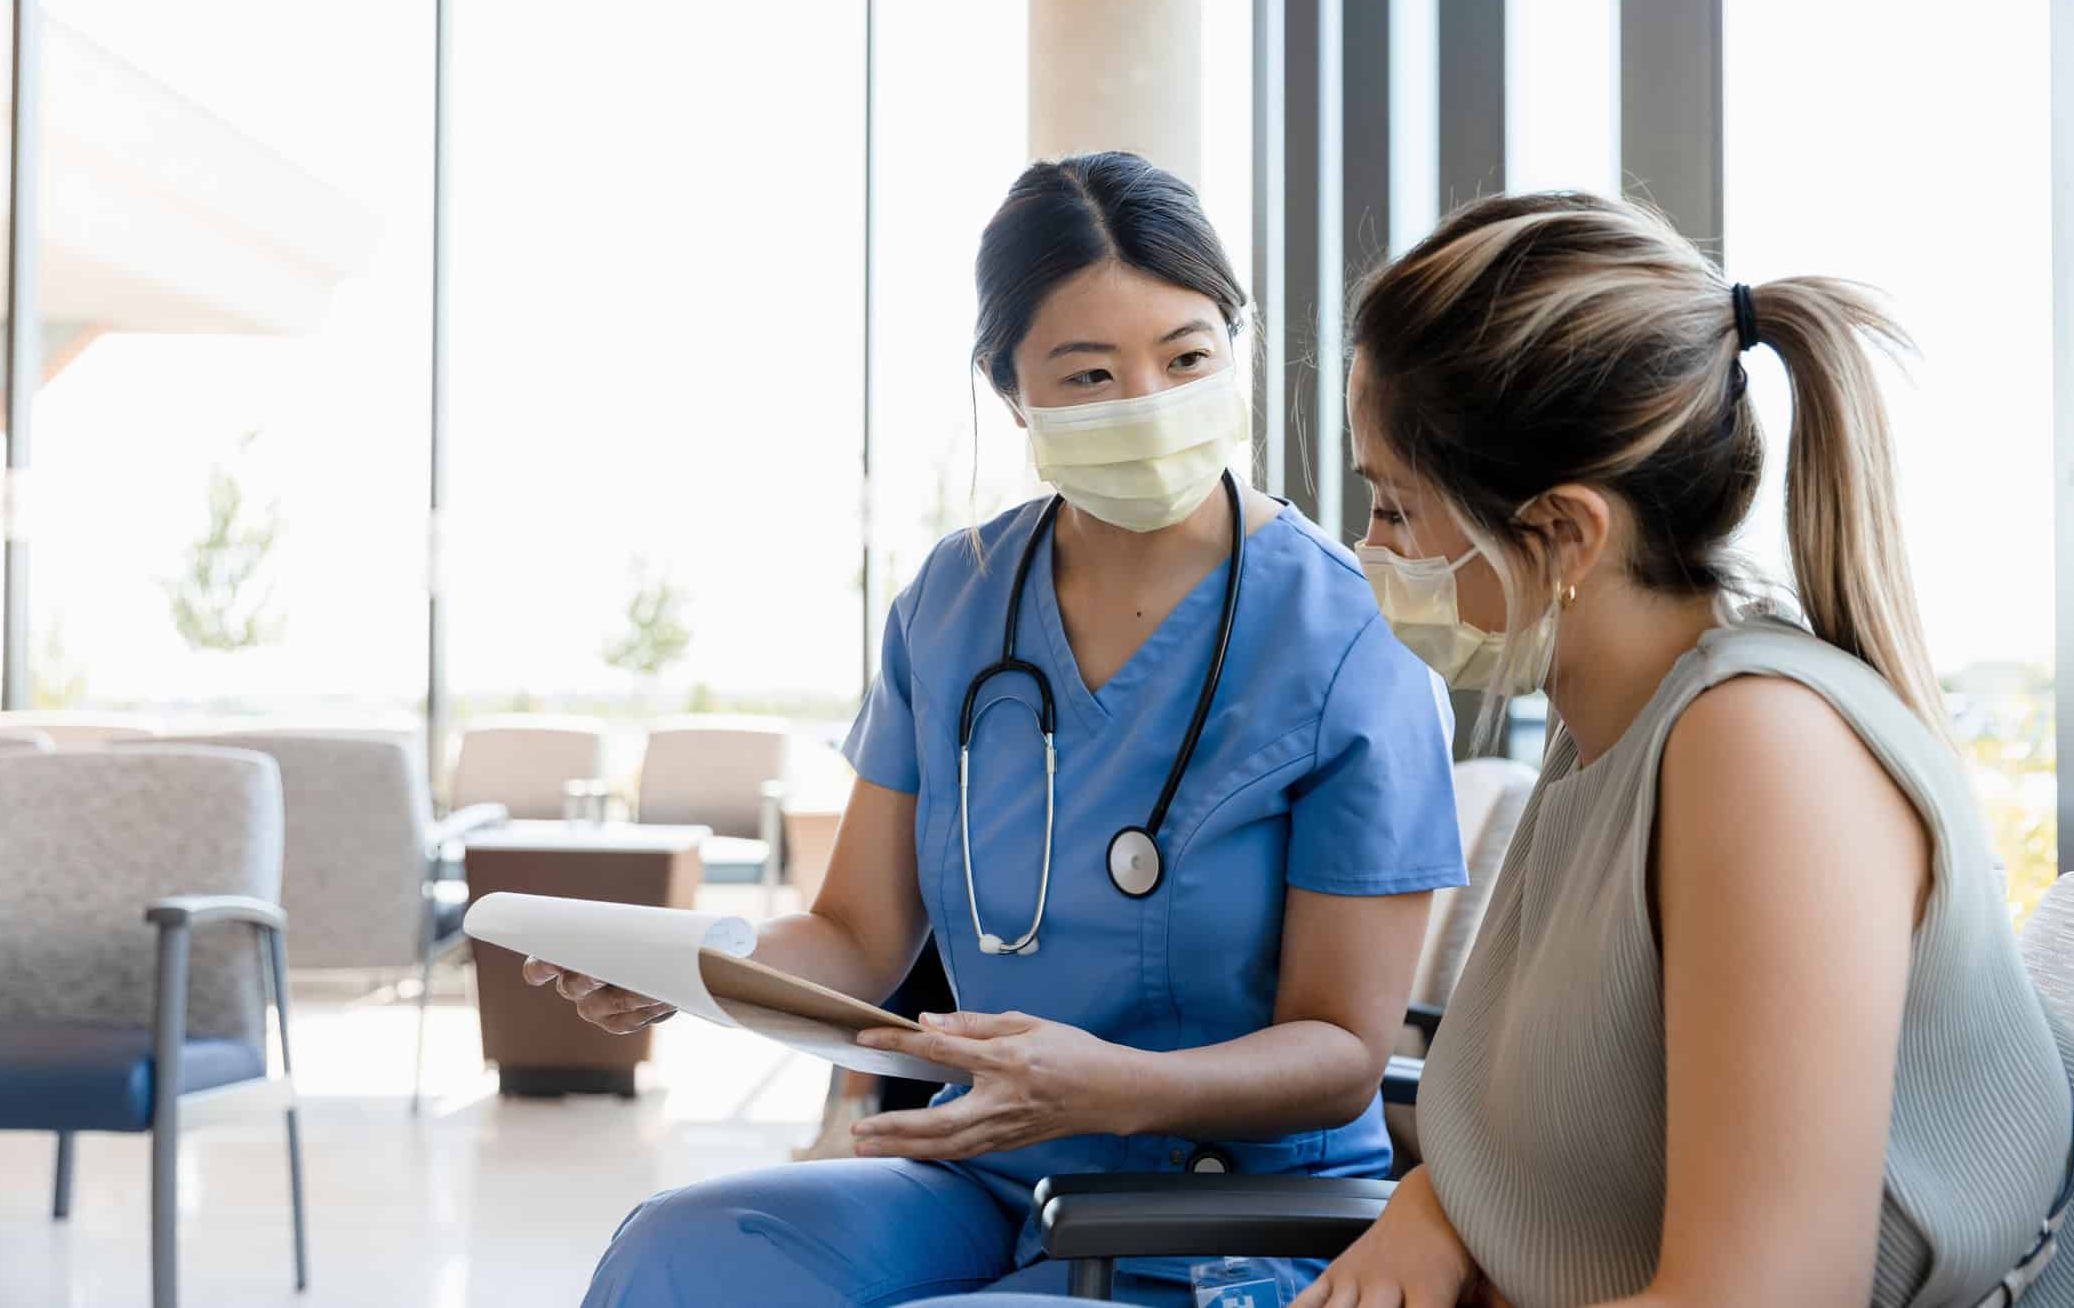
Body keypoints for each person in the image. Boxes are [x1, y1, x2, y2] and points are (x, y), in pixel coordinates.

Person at [525, 151, 1466, 1306]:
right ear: (1010, 390)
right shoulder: (955, 600)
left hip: (1221, 1207)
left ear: (1236, 347)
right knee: (681, 1253)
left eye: (1185, 358)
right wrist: (691, 965)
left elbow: (1341, 1053)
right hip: (993, 1178)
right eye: (1088, 375)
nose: (1147, 405)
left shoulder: (1347, 631)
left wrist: (1112, 1086)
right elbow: (857, 937)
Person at [1307, 192, 2074, 1308]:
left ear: (1567, 533)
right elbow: (1585, 1113)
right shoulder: (1618, 724)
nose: (1370, 550)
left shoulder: (1762, 753)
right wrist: (1438, 1210)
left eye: (1395, 507)